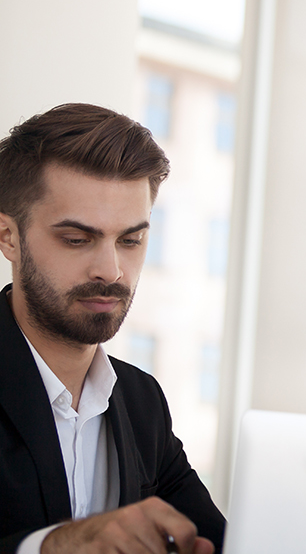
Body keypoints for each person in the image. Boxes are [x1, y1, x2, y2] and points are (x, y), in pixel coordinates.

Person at [0, 104, 225, 554]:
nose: (112, 270)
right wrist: (51, 546)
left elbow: (218, 542)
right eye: (77, 239)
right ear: (8, 237)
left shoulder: (143, 403)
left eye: (131, 240)